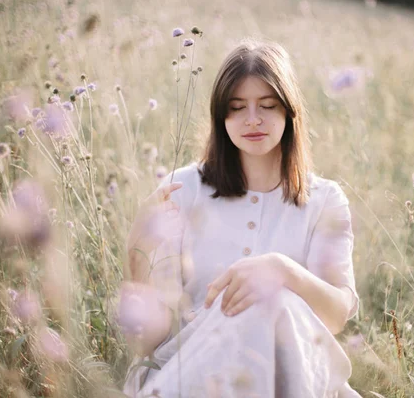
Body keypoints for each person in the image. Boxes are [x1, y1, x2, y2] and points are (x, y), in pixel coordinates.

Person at [122, 38, 361, 397]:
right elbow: (147, 344)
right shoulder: (183, 189)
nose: (252, 120)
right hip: (195, 370)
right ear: (221, 116)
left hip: (293, 373)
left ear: (289, 112)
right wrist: (135, 253)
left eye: (267, 106)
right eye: (237, 108)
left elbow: (336, 316)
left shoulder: (324, 201)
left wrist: (283, 271)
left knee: (274, 301)